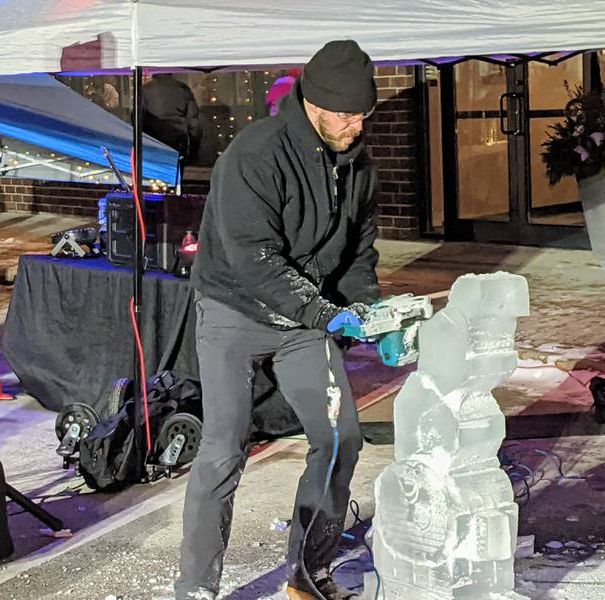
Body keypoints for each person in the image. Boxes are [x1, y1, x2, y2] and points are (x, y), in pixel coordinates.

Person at [175, 40, 380, 600]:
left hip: (303, 321)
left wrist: (361, 306)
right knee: (222, 449)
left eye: (363, 114)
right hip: (234, 311)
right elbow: (255, 257)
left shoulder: (357, 167)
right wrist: (324, 313)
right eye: (345, 114)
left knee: (340, 438)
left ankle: (307, 574)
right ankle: (195, 589)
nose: (356, 125)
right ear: (313, 103)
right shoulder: (256, 154)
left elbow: (359, 252)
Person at [141, 73, 203, 170]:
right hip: (177, 140)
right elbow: (194, 122)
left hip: (152, 141)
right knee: (176, 176)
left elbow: (137, 118)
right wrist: (194, 150)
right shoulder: (183, 89)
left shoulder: (145, 90)